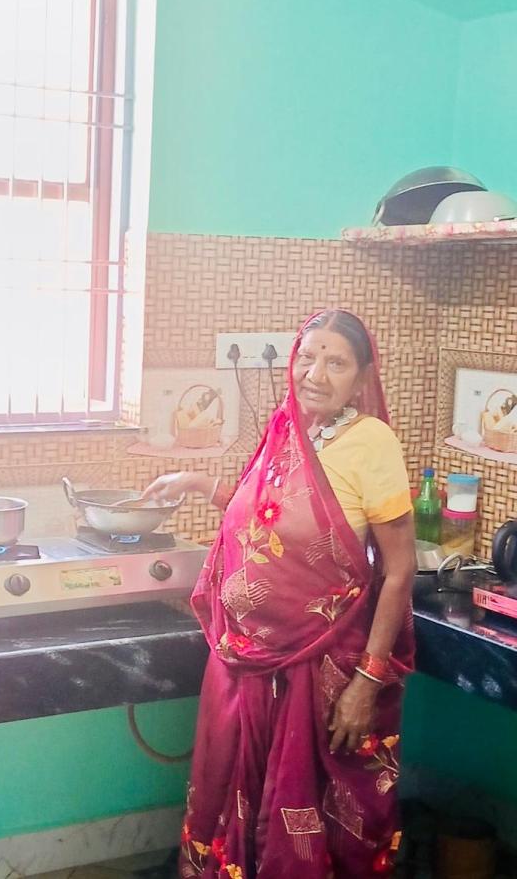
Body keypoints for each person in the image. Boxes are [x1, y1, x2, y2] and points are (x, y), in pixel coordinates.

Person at [142, 310, 416, 879]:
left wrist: (367, 682)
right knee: (230, 805)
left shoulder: (371, 443)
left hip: (321, 671)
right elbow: (264, 518)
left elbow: (398, 571)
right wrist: (195, 483)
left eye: (336, 362)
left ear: (362, 378)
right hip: (243, 664)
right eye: (307, 357)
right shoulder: (286, 430)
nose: (314, 374)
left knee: (307, 825)